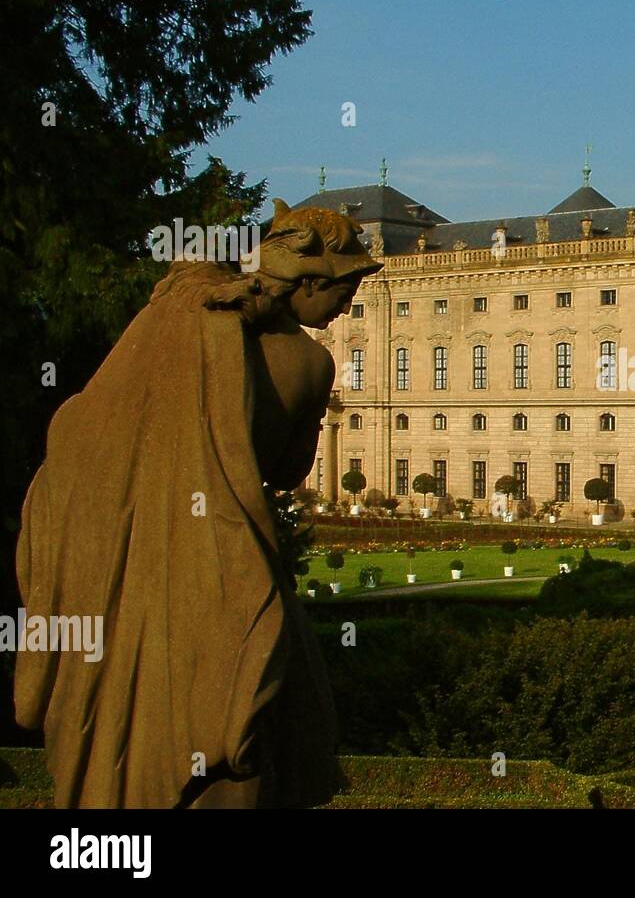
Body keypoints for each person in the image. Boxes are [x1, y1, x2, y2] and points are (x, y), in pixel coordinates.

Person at [15, 200, 380, 808]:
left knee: (132, 716)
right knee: (250, 721)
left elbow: (83, 433)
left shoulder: (182, 314)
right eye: (344, 289)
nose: (346, 307)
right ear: (311, 280)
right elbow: (289, 473)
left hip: (135, 566)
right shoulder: (311, 364)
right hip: (228, 567)